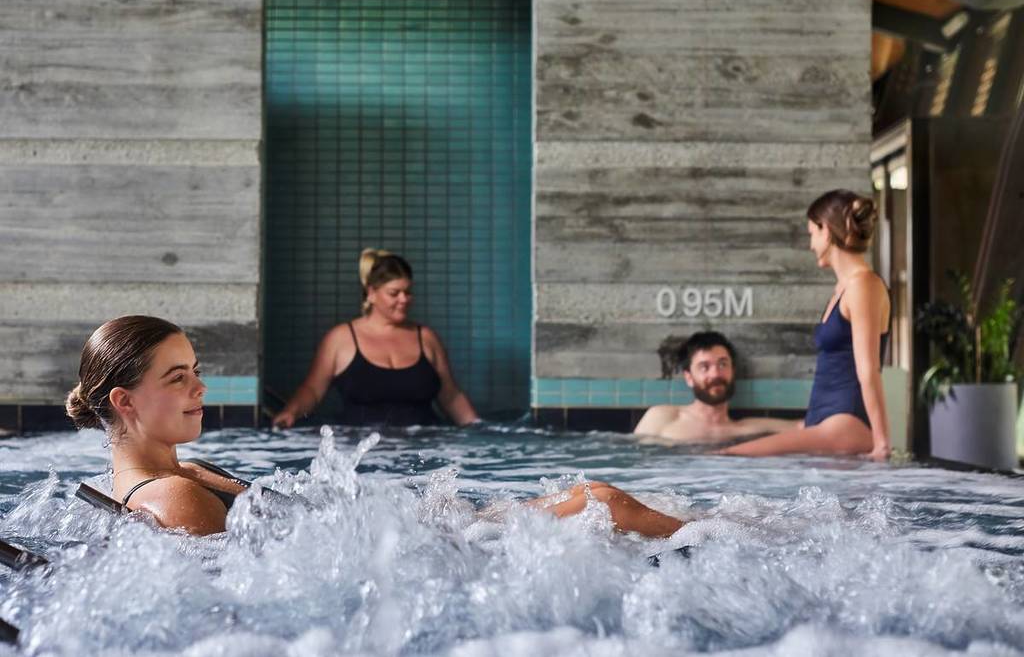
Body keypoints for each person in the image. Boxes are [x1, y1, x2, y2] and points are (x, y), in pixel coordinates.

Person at [66, 316, 688, 538]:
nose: (201, 388)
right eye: (178, 378)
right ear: (124, 401)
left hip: (409, 537)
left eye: (196, 371)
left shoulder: (176, 475)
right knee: (603, 502)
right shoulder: (172, 494)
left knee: (601, 501)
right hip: (416, 558)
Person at [721, 190, 891, 460]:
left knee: (729, 456)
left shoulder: (863, 285)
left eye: (812, 233)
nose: (811, 244)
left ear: (826, 231)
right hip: (824, 421)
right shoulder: (844, 288)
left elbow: (868, 370)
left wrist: (882, 444)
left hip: (845, 424)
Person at [272, 249, 479, 428]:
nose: (404, 299)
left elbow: (451, 396)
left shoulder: (426, 337)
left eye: (408, 292)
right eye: (394, 293)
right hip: (364, 454)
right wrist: (291, 412)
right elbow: (313, 390)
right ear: (371, 293)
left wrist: (480, 430)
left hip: (423, 450)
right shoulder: (341, 339)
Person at [633, 331, 799, 443]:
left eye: (722, 364)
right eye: (704, 367)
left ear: (733, 370)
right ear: (689, 377)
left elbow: (804, 427)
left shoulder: (747, 429)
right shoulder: (663, 418)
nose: (715, 374)